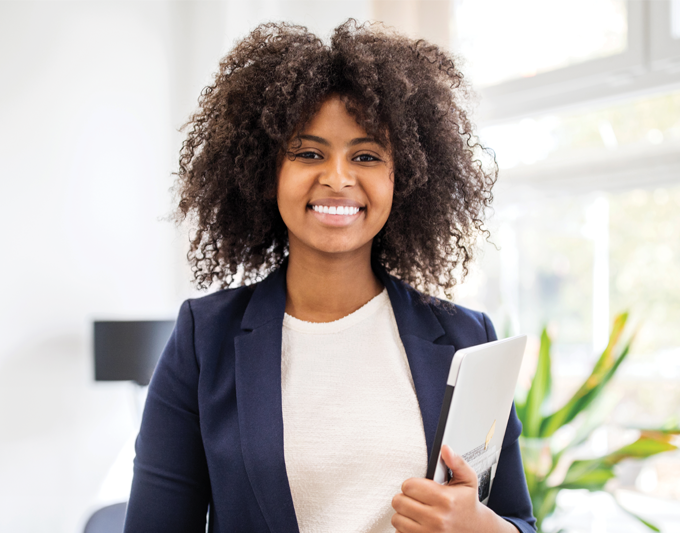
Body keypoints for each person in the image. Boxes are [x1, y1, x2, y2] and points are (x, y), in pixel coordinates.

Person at [124, 19, 536, 533]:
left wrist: (481, 527)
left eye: (366, 156)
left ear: (400, 177)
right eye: (308, 153)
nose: (338, 178)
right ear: (264, 170)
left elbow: (518, 519)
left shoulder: (465, 338)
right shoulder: (203, 339)